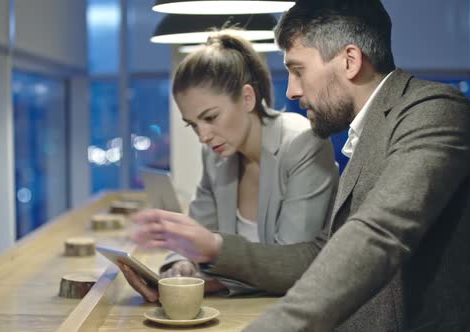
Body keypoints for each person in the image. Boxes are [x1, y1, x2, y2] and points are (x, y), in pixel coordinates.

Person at [130, 1, 470, 331]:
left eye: (298, 70)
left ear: (349, 61)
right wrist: (205, 254)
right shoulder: (368, 133)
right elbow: (322, 252)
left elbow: (378, 235)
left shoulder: (435, 111)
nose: (290, 90)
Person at [121, 30, 339, 301]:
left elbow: (293, 268)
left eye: (211, 117)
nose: (203, 136)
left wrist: (206, 280)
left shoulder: (303, 142)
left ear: (247, 98)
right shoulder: (216, 156)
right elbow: (197, 232)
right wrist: (179, 268)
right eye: (193, 125)